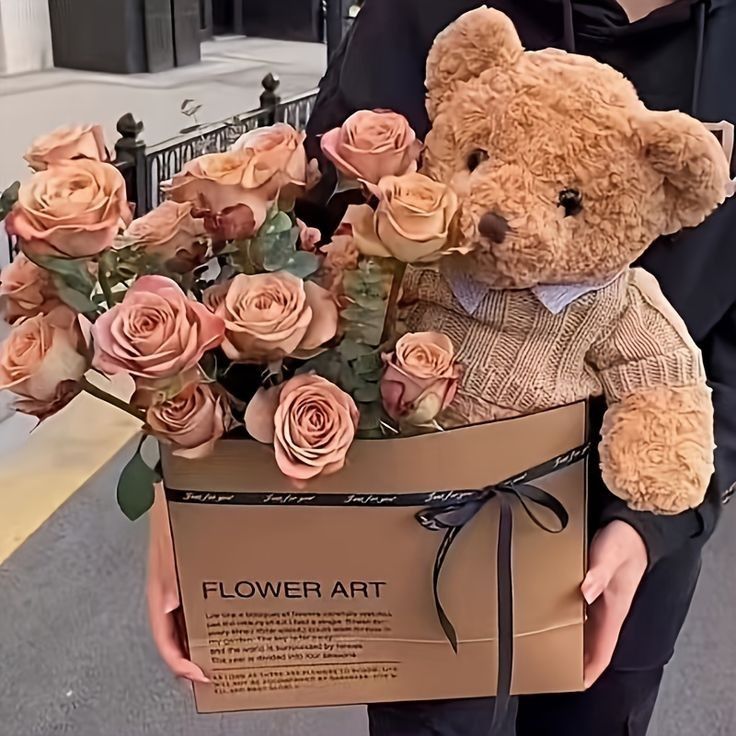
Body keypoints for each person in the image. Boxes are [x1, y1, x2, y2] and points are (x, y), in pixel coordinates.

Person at [148, 1, 735, 734]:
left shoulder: (626, 309)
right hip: (409, 530)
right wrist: (207, 470)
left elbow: (686, 372)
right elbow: (307, 245)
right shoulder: (421, 9)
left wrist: (652, 521)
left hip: (625, 559)